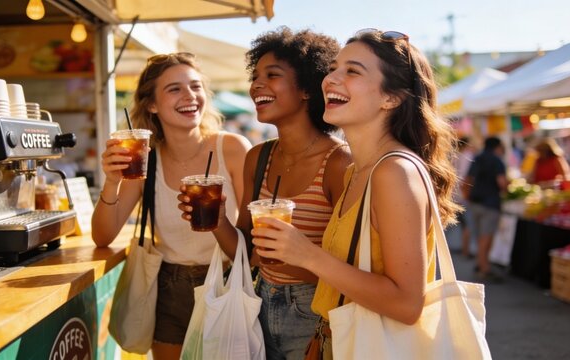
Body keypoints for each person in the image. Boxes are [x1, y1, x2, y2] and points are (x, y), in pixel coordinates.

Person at [249, 29, 461, 357]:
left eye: (352, 71)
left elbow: (407, 304)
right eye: (334, 68)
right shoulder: (358, 170)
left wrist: (305, 254)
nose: (331, 78)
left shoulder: (394, 172)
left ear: (391, 98)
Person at [178, 27, 352, 360]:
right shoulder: (258, 157)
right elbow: (243, 251)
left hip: (314, 313)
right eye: (255, 76)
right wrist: (215, 219)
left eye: (271, 75)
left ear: (305, 88)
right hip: (257, 304)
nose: (256, 84)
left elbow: (353, 271)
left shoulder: (339, 164)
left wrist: (296, 259)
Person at [91, 52, 250, 360]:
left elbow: (250, 244)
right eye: (174, 89)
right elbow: (103, 237)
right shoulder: (145, 159)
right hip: (168, 286)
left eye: (195, 86)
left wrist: (218, 222)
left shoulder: (231, 148)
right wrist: (112, 182)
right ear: (152, 104)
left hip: (227, 281)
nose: (190, 96)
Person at [465, 136, 508, 282]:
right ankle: (484, 268)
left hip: (475, 202)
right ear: (497, 146)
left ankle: (480, 263)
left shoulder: (477, 158)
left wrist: (468, 196)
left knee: (480, 236)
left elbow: (467, 180)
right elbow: (501, 182)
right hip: (490, 203)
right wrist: (506, 189)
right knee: (486, 237)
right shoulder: (497, 161)